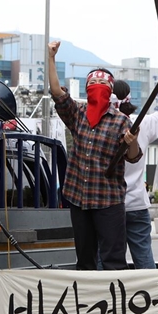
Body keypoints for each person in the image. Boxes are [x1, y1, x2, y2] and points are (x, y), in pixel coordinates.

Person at [48, 40, 142, 271]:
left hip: (108, 200)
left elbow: (133, 156)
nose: (98, 85)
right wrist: (51, 58)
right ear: (86, 87)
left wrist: (132, 141)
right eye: (93, 82)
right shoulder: (77, 114)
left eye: (103, 82)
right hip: (78, 197)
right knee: (85, 259)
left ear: (110, 90)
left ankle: (115, 304)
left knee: (113, 259)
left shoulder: (121, 120)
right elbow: (57, 93)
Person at [116, 72, 158, 269]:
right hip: (137, 203)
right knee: (143, 257)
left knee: (107, 257)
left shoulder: (101, 126)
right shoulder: (141, 122)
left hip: (110, 206)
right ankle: (152, 295)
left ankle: (106, 298)